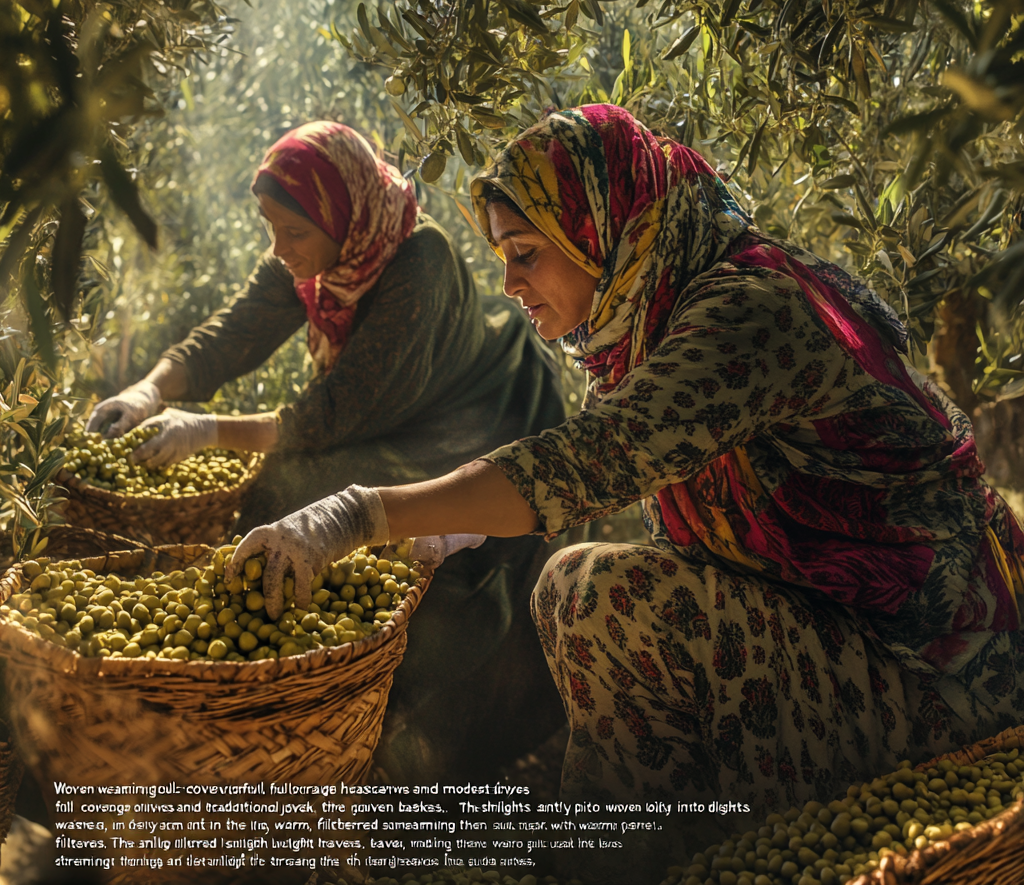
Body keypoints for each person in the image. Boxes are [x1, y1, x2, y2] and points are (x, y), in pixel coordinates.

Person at [227, 104, 1024, 877]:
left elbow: (589, 461)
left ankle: (630, 857)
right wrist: (460, 528)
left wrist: (357, 514)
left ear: (602, 233)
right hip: (848, 639)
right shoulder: (650, 323)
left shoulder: (750, 311)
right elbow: (600, 484)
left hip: (940, 676)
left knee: (591, 594)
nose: (507, 283)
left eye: (527, 254)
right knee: (578, 580)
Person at [86, 120, 568, 782]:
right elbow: (236, 332)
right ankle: (287, 694)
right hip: (384, 414)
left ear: (342, 216)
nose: (278, 249)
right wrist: (151, 389)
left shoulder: (417, 264)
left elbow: (333, 414)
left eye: (291, 233)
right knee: (298, 499)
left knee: (423, 575)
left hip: (469, 421)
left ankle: (389, 736)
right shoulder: (315, 245)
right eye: (270, 228)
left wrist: (207, 429)